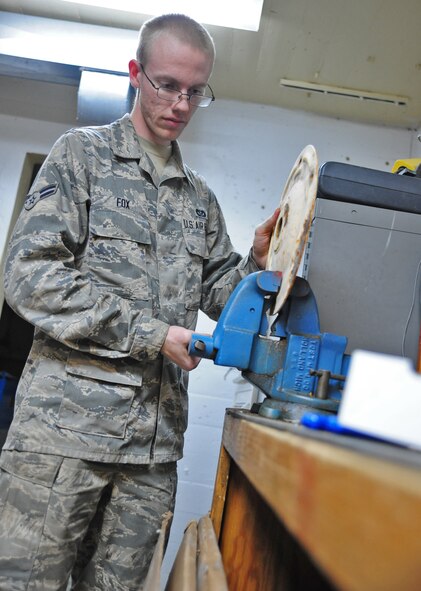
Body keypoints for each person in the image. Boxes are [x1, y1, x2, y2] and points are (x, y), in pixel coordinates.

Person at [0, 13, 279, 591]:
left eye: (195, 91)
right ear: (136, 74)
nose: (180, 102)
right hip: (62, 441)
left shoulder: (199, 200)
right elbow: (29, 275)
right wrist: (150, 333)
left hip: (150, 457)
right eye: (167, 85)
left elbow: (224, 299)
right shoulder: (82, 157)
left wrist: (257, 266)